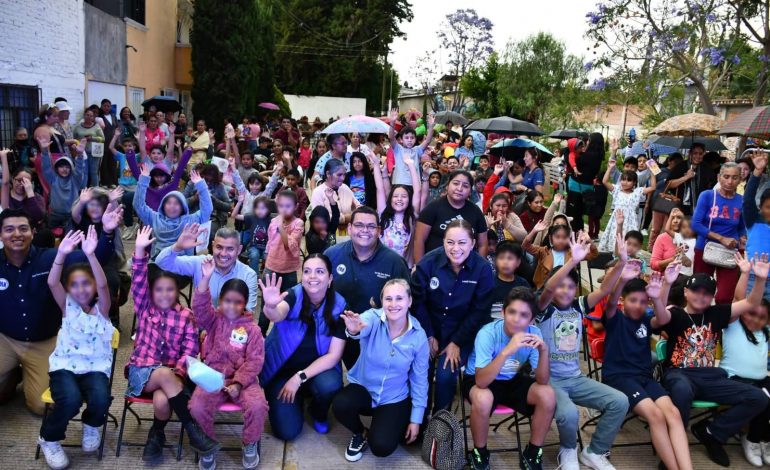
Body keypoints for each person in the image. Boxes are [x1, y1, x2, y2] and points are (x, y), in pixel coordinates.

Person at [0, 208, 117, 415]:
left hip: (45, 341)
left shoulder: (51, 258)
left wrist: (107, 233)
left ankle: (21, 374)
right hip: (6, 339)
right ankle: (12, 377)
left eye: (23, 229)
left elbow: (96, 257)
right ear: (1, 235)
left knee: (42, 406)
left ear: (33, 232)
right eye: (9, 229)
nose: (17, 234)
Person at [657, 260, 770, 467]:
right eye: (696, 291)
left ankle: (713, 433)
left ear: (712, 297)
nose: (701, 296)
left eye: (707, 293)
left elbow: (751, 303)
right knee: (681, 390)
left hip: (710, 376)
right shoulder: (675, 313)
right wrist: (665, 284)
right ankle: (674, 449)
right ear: (685, 292)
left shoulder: (717, 313)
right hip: (679, 374)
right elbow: (660, 317)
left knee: (758, 398)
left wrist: (760, 279)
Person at [535, 232, 629, 470]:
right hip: (549, 380)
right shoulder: (543, 309)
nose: (565, 291)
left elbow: (605, 289)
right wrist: (573, 261)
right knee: (569, 414)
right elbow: (547, 289)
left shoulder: (578, 306)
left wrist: (623, 262)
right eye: (561, 286)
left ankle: (595, 451)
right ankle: (568, 449)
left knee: (619, 401)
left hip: (575, 378)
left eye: (571, 286)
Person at [126, 226, 220, 463]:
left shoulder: (186, 315)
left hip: (172, 375)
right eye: (159, 290)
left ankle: (156, 434)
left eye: (170, 290)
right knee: (163, 376)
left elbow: (189, 352)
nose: (164, 294)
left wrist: (178, 374)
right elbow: (137, 281)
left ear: (178, 291)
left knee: (161, 399)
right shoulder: (145, 308)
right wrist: (139, 251)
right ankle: (192, 430)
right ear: (151, 292)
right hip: (142, 372)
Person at [36, 227, 115, 470]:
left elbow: (102, 286)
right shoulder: (67, 305)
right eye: (74, 285)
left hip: (95, 368)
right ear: (69, 289)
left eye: (86, 284)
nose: (81, 289)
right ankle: (49, 438)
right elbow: (52, 281)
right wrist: (61, 254)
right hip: (65, 367)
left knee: (101, 400)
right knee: (69, 400)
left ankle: (91, 425)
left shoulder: (103, 308)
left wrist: (91, 255)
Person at [602, 264, 694, 470]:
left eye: (643, 302)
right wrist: (622, 279)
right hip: (619, 378)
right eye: (633, 300)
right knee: (656, 415)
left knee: (674, 414)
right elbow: (609, 303)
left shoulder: (646, 319)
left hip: (644, 378)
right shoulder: (614, 318)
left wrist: (665, 287)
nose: (637, 305)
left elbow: (662, 319)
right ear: (622, 301)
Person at [333, 280, 429, 461]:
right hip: (364, 389)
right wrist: (353, 330)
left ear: (409, 301)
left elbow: (420, 380)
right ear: (382, 301)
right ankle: (360, 432)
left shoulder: (419, 336)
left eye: (399, 298)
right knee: (341, 404)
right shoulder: (373, 317)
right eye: (388, 299)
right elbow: (361, 325)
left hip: (393, 397)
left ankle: (386, 422)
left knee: (382, 447)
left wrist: (416, 419)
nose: (393, 304)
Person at [464, 287, 555, 470]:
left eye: (523, 315)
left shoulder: (534, 333)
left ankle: (533, 452)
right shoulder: (488, 333)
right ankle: (479, 453)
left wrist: (543, 351)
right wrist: (507, 350)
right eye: (512, 312)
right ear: (503, 312)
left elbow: (542, 380)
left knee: (547, 394)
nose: (516, 318)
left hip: (512, 379)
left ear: (531, 319)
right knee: (483, 398)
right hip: (481, 379)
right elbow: (481, 381)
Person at [190, 258, 267, 470]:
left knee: (258, 406)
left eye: (238, 302)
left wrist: (239, 383)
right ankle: (207, 444)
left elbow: (255, 361)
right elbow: (199, 307)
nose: (232, 306)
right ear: (220, 300)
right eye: (227, 301)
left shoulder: (253, 330)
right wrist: (205, 278)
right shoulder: (213, 320)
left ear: (245, 304)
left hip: (244, 381)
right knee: (196, 406)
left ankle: (249, 443)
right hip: (212, 377)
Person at [258, 256, 346, 441]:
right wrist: (270, 305)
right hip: (282, 372)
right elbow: (277, 314)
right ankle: (294, 401)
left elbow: (333, 356)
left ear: (330, 278)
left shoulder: (340, 306)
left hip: (315, 372)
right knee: (287, 432)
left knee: (330, 385)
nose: (312, 276)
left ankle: (317, 411)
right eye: (307, 271)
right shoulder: (293, 295)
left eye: (320, 271)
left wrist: (299, 378)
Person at [411, 220, 495, 415]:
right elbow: (417, 302)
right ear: (443, 242)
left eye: (462, 243)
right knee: (419, 372)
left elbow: (480, 311)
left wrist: (456, 342)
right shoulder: (428, 263)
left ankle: (441, 425)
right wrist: (429, 335)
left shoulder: (482, 269)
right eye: (450, 242)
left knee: (445, 375)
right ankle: (417, 421)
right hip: (427, 329)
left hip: (462, 333)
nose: (455, 248)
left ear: (473, 243)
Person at [324, 206, 411, 368]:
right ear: (349, 228)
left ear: (379, 231)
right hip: (334, 332)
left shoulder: (394, 263)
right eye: (359, 225)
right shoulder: (331, 255)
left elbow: (406, 306)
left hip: (377, 336)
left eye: (371, 226)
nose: (365, 230)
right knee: (330, 385)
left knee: (369, 385)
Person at [723, 254, 770, 466]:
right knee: (764, 396)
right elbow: (738, 300)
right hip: (735, 380)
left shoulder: (765, 332)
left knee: (766, 391)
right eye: (752, 313)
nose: (755, 319)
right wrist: (747, 274)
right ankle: (751, 439)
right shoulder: (734, 324)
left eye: (762, 318)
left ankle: (764, 439)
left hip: (760, 381)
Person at [155, 224, 259, 312]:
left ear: (239, 250)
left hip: (231, 331)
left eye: (230, 249)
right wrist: (178, 247)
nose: (223, 253)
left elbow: (247, 312)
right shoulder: (200, 262)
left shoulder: (248, 275)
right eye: (219, 247)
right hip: (200, 327)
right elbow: (161, 262)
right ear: (212, 246)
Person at [691, 162, 745, 304]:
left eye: (734, 177)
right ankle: (697, 321)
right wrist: (721, 238)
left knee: (725, 296)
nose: (729, 181)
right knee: (699, 291)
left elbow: (741, 227)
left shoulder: (741, 201)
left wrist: (743, 240)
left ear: (740, 180)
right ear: (718, 177)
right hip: (705, 248)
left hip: (729, 251)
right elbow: (695, 224)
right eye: (726, 176)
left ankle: (718, 323)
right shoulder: (707, 196)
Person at [134, 166, 212, 259]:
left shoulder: (190, 220)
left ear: (183, 207)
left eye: (176, 203)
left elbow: (207, 209)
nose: (172, 206)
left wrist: (201, 185)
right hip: (158, 262)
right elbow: (138, 205)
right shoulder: (154, 218)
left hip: (183, 264)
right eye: (169, 203)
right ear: (163, 205)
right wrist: (143, 180)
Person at [414, 170, 488, 262]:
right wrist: (420, 267)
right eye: (456, 183)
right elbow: (419, 240)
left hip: (466, 268)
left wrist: (479, 269)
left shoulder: (476, 211)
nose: (459, 188)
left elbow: (483, 244)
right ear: (448, 185)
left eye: (465, 186)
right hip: (434, 265)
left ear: (470, 191)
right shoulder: (432, 208)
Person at [261, 190, 305, 331]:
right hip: (271, 267)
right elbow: (270, 242)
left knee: (287, 304)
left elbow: (290, 245)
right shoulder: (274, 221)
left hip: (289, 270)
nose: (284, 209)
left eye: (288, 206)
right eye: (281, 206)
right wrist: (266, 258)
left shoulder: (298, 223)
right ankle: (260, 335)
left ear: (296, 206)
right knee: (266, 304)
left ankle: (282, 336)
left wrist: (281, 228)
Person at [598, 159, 656, 253]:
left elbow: (653, 187)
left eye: (629, 180)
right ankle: (615, 255)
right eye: (623, 179)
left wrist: (652, 171)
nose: (625, 182)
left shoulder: (637, 192)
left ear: (634, 183)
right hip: (616, 220)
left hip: (630, 221)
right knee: (615, 237)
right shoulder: (617, 190)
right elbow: (604, 181)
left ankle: (627, 257)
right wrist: (610, 168)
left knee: (628, 239)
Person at [523, 220, 598, 290]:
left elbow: (594, 254)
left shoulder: (573, 253)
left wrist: (589, 241)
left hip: (565, 290)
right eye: (557, 237)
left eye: (564, 237)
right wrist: (534, 231)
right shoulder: (543, 251)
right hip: (544, 289)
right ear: (551, 238)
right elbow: (525, 246)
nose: (561, 240)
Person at [39, 138, 88, 230]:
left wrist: (80, 154)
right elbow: (46, 168)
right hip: (55, 214)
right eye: (61, 167)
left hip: (72, 214)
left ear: (71, 168)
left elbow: (79, 169)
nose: (64, 169)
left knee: (71, 235)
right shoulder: (53, 179)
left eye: (67, 167)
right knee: (50, 234)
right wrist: (45, 151)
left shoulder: (75, 180)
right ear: (56, 169)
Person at [743, 151, 770, 300]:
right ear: (760, 207)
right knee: (748, 315)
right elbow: (747, 200)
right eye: (768, 207)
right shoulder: (754, 220)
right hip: (752, 276)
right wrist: (757, 171)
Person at [311, 158, 360, 236]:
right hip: (328, 236)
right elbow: (320, 219)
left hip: (350, 234)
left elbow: (359, 207)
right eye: (339, 175)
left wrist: (355, 215)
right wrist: (345, 218)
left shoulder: (345, 188)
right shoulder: (318, 192)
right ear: (328, 174)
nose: (343, 178)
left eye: (344, 174)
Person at [665, 143, 716, 216]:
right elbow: (669, 184)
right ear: (690, 153)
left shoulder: (707, 168)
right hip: (681, 208)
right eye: (695, 153)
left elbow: (712, 187)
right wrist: (686, 177)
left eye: (700, 154)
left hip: (701, 208)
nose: (698, 156)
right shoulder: (681, 166)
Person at [387, 109, 435, 186]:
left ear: (415, 139)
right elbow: (391, 137)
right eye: (406, 138)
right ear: (401, 140)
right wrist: (392, 122)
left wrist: (431, 126)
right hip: (399, 184)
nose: (409, 140)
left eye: (412, 138)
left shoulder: (417, 150)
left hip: (414, 185)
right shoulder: (398, 149)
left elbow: (428, 140)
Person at [0, 149, 46, 229]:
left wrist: (30, 195)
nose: (22, 184)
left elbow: (38, 217)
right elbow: (5, 183)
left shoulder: (37, 198)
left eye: (26, 181)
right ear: (13, 180)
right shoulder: (6, 197)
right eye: (19, 180)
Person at [648, 153, 685, 250]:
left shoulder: (679, 174)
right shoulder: (661, 171)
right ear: (669, 161)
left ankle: (662, 248)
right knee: (655, 228)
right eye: (675, 162)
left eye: (679, 163)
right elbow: (656, 185)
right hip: (659, 202)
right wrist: (666, 180)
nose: (677, 165)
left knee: (666, 229)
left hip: (671, 204)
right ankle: (651, 247)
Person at [232, 195, 273, 276]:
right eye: (257, 208)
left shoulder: (271, 220)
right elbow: (234, 215)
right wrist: (239, 202)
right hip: (254, 246)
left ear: (268, 209)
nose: (260, 211)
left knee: (269, 257)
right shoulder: (251, 217)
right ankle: (254, 276)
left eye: (263, 208)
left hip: (267, 247)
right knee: (254, 255)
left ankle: (266, 277)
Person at [489, 241, 531, 319]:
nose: (505, 262)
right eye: (501, 258)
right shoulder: (488, 283)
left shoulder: (523, 284)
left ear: (518, 262)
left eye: (510, 258)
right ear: (496, 261)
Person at [651, 208, 693, 274]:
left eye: (679, 217)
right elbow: (653, 265)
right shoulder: (662, 238)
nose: (675, 221)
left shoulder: (692, 238)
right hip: (665, 277)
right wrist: (672, 260)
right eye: (672, 218)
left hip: (686, 276)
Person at [98, 99, 119, 187]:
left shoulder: (114, 116)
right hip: (104, 143)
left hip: (113, 143)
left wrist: (118, 141)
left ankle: (113, 182)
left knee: (113, 163)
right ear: (102, 106)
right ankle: (105, 182)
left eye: (108, 106)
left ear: (110, 107)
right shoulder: (99, 117)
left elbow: (117, 129)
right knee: (104, 164)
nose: (106, 107)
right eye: (105, 106)